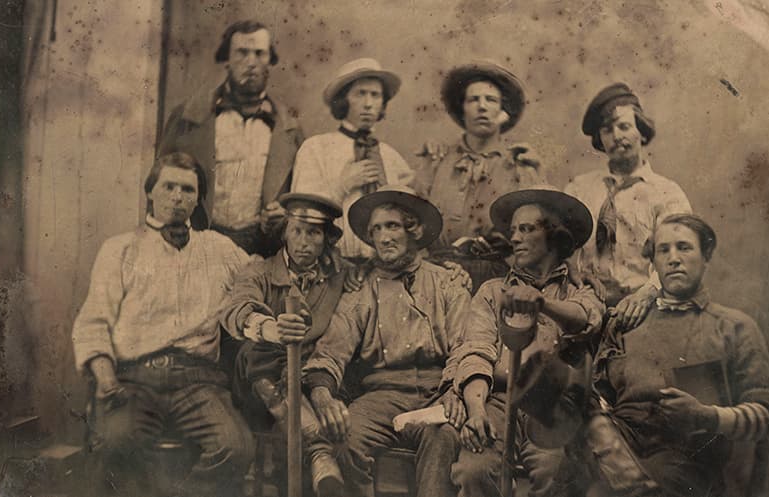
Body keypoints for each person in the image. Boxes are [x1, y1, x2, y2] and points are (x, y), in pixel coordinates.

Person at [71, 152, 253, 497]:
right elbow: (93, 321)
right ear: (150, 192)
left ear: (198, 199)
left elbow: (259, 279)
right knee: (113, 444)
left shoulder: (218, 249)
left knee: (237, 448)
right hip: (134, 380)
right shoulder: (120, 249)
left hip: (199, 383)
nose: (177, 196)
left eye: (188, 189)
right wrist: (106, 378)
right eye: (169, 186)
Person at [587, 214, 769, 497]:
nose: (674, 258)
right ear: (652, 261)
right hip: (614, 452)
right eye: (663, 250)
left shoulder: (732, 327)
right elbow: (598, 398)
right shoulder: (626, 322)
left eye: (684, 247)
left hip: (685, 464)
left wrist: (708, 416)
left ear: (706, 256)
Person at [302, 185, 469, 497]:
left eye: (392, 225)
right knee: (343, 439)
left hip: (438, 393)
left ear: (414, 230)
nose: (384, 237)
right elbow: (331, 350)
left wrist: (455, 392)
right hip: (383, 396)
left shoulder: (447, 282)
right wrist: (324, 397)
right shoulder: (362, 288)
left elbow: (465, 345)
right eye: (376, 229)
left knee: (443, 439)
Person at [448, 186, 605, 497]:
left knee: (554, 471)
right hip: (496, 401)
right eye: (513, 230)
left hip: (553, 406)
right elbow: (476, 352)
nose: (514, 238)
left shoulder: (580, 291)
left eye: (526, 229)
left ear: (554, 237)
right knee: (473, 471)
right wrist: (476, 411)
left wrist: (541, 303)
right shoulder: (493, 292)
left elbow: (585, 318)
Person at [219, 192, 350, 496]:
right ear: (284, 234)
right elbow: (236, 308)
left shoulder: (340, 275)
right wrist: (269, 328)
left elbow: (383, 270)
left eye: (314, 232)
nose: (304, 241)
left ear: (327, 239)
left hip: (310, 383)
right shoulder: (259, 272)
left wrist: (451, 270)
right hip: (257, 389)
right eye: (297, 230)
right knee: (256, 351)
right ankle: (319, 451)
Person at [158, 20, 304, 257]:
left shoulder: (289, 130)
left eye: (259, 54)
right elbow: (158, 187)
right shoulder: (188, 119)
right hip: (196, 247)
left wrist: (281, 219)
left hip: (261, 253)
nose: (251, 63)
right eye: (242, 53)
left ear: (270, 61)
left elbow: (300, 205)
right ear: (226, 59)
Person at [564, 82, 691, 329]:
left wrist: (647, 294)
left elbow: (678, 256)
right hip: (584, 304)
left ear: (641, 132)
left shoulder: (666, 193)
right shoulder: (579, 188)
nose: (617, 136)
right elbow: (557, 246)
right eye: (607, 130)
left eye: (624, 126)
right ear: (600, 140)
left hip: (643, 306)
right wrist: (572, 272)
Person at [412, 61, 545, 291]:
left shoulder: (519, 165)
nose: (482, 107)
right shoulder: (438, 159)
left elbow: (537, 234)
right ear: (462, 108)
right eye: (473, 100)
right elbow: (413, 220)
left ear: (503, 112)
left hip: (494, 279)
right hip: (434, 274)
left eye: (491, 100)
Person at [291, 58, 413, 262]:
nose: (368, 104)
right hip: (331, 264)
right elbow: (300, 216)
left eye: (375, 95)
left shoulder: (392, 157)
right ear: (343, 99)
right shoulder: (316, 148)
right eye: (360, 94)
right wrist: (343, 185)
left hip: (383, 267)